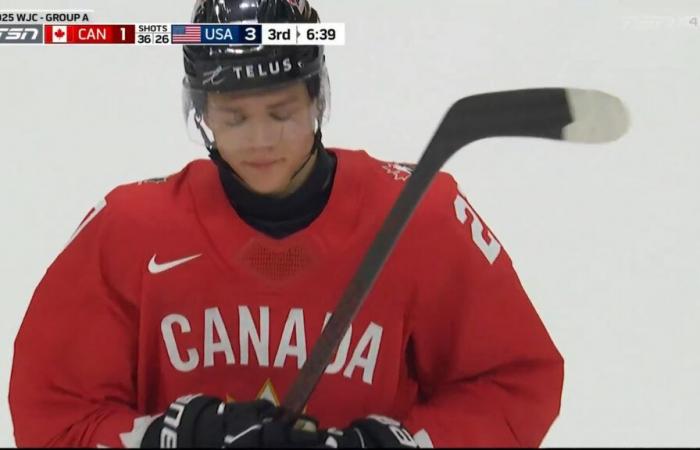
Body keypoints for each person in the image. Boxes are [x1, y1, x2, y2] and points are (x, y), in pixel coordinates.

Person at [9, 0, 564, 447]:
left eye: (281, 113)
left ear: (317, 99)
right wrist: (163, 438)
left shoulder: (422, 216)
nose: (260, 140)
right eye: (233, 116)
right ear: (201, 112)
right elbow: (54, 411)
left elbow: (514, 384)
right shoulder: (129, 231)